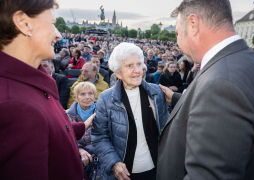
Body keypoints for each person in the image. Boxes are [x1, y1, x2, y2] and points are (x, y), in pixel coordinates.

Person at [157, 0, 254, 180]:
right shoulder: (246, 59)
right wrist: (177, 98)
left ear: (193, 24)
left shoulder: (221, 85)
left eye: (178, 32)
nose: (177, 41)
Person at [0, 0, 95, 179]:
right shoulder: (14, 106)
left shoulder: (26, 80)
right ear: (24, 23)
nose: (58, 35)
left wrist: (84, 124)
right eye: (52, 23)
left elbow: (50, 130)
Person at [91, 43, 169, 180]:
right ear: (117, 73)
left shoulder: (156, 92)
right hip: (123, 174)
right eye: (129, 66)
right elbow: (99, 136)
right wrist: (114, 163)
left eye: (139, 64)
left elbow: (167, 130)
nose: (137, 70)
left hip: (156, 170)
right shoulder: (106, 98)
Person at [67, 82, 101, 179]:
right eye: (82, 94)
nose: (87, 97)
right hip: (77, 158)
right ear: (76, 97)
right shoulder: (67, 115)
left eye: (90, 93)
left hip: (100, 157)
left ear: (94, 96)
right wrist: (79, 149)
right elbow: (66, 139)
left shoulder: (103, 113)